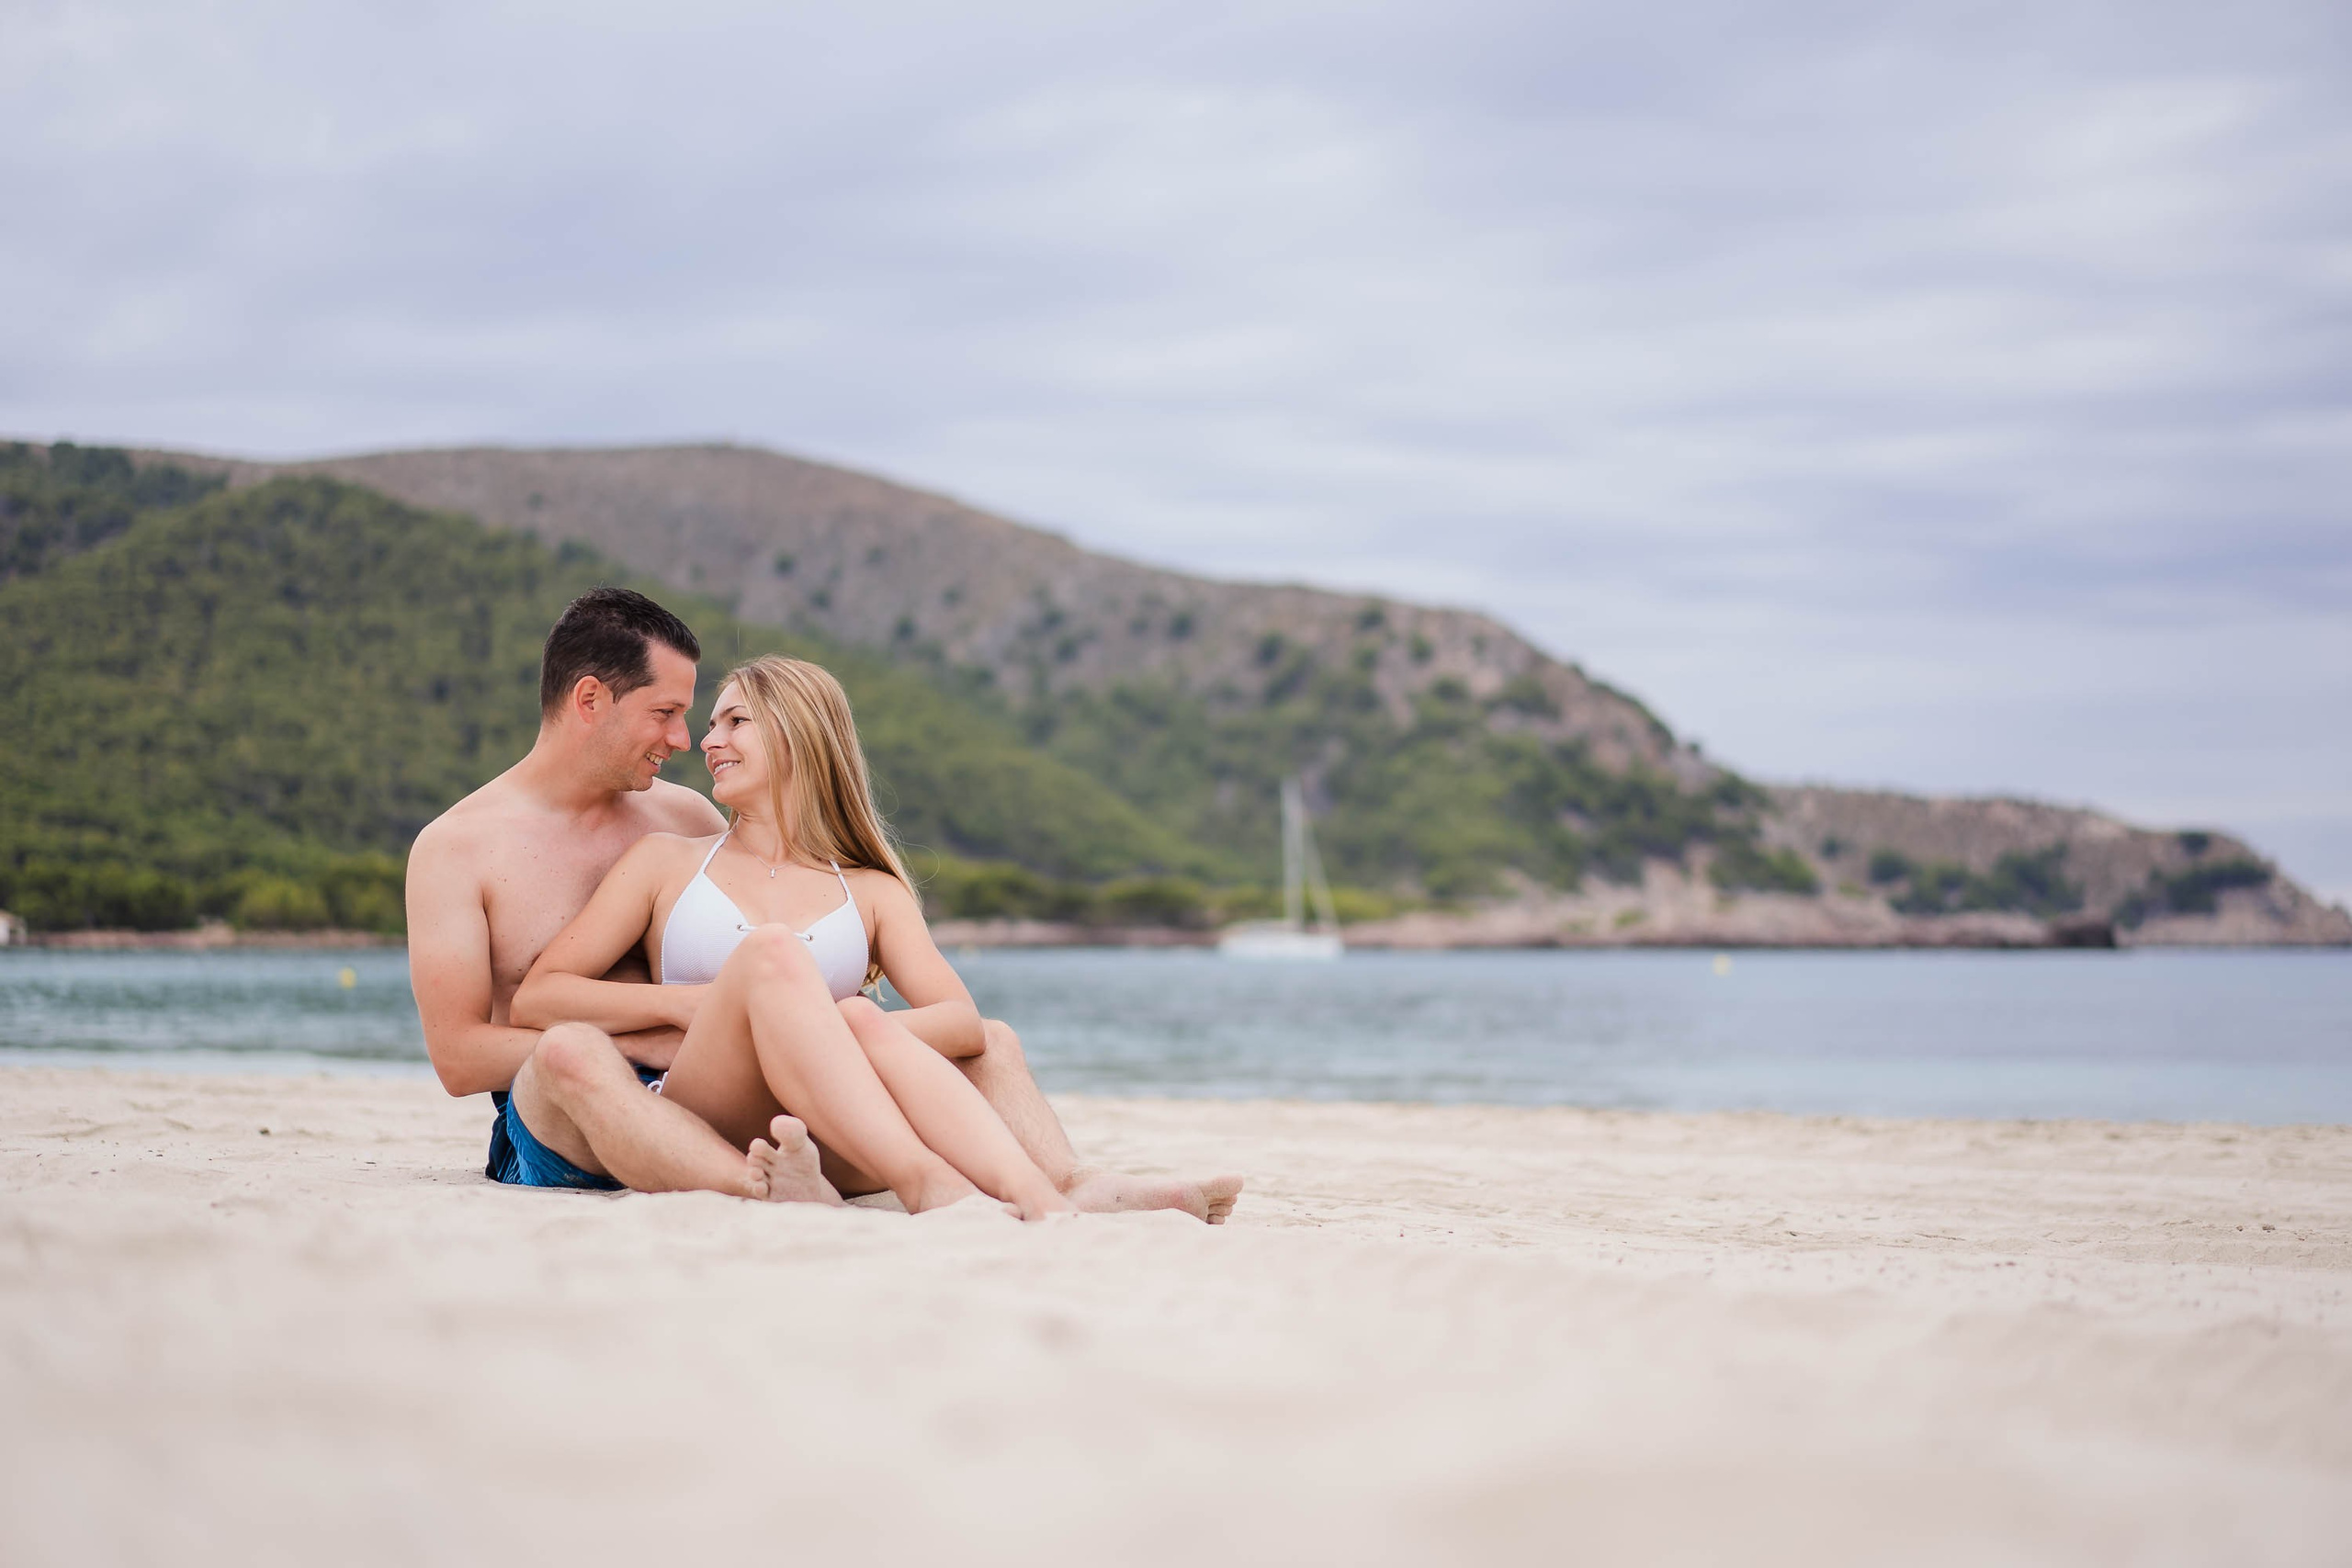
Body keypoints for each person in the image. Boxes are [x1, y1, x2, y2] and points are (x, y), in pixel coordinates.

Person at [404, 587, 1242, 1219]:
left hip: (729, 1087)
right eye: (668, 713)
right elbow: (460, 1057)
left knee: (986, 1039)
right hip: (590, 1107)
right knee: (576, 1051)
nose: (688, 740)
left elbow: (807, 978)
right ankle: (769, 1187)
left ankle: (1067, 1186)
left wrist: (822, 1025)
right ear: (590, 699)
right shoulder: (459, 848)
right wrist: (680, 1020)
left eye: (706, 717)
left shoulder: (688, 818)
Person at [512, 654, 1077, 1218]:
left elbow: (961, 1020)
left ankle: (1050, 1189)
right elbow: (539, 997)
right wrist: (683, 1004)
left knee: (890, 1022)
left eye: (735, 721)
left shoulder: (872, 889)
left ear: (796, 732)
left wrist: (813, 1029)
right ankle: (924, 1180)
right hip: (705, 1115)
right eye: (711, 726)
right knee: (774, 951)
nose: (708, 741)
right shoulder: (664, 861)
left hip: (831, 1129)